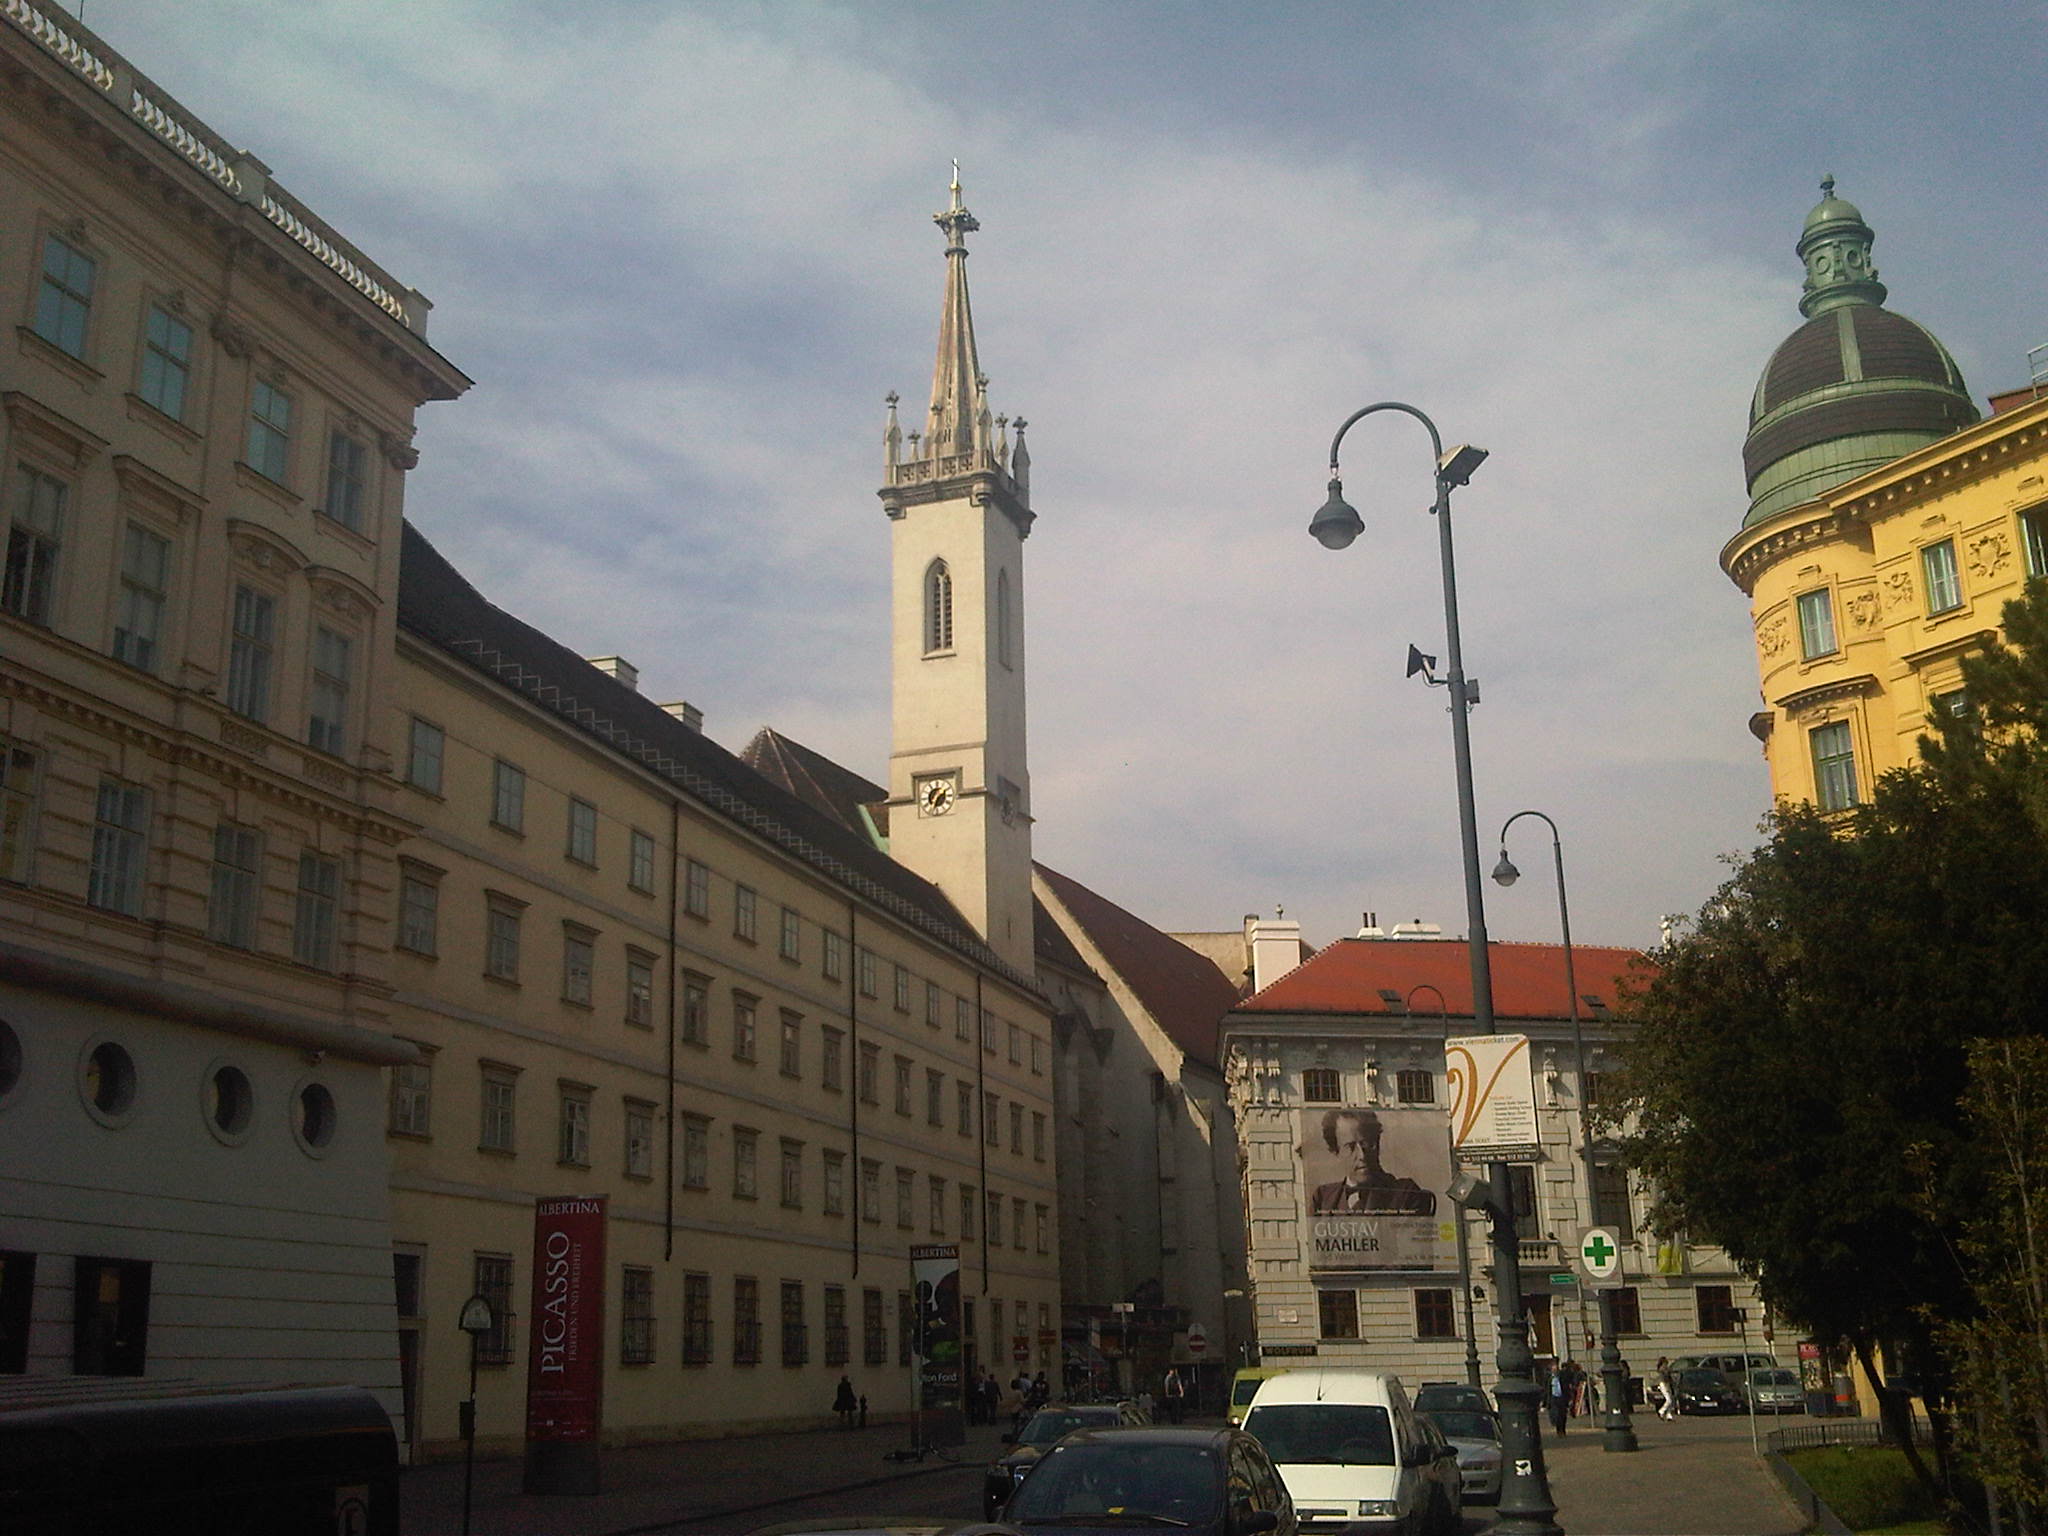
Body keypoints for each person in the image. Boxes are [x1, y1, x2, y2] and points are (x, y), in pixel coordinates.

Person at [1308, 1109, 1437, 1215]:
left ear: (1378, 1144)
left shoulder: (1405, 1193)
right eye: (1350, 1147)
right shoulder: (1322, 1198)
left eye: (1367, 1144)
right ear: (1336, 1152)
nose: (1362, 1155)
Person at [1547, 1367, 1569, 1435]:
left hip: (1562, 1398)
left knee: (1563, 1415)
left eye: (1556, 1370)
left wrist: (1568, 1398)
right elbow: (1548, 1391)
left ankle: (1563, 1429)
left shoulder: (1562, 1378)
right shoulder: (1550, 1379)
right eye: (1553, 1370)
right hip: (1554, 1398)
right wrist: (1548, 1401)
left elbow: (1566, 1388)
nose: (1555, 1372)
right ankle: (1558, 1430)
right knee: (1556, 1415)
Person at [1655, 1356, 1677, 1421]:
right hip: (1663, 1384)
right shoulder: (1662, 1370)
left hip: (1667, 1384)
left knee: (1671, 1400)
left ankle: (1669, 1415)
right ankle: (1661, 1411)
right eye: (1665, 1363)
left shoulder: (1666, 1369)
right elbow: (1665, 1378)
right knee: (1668, 1400)